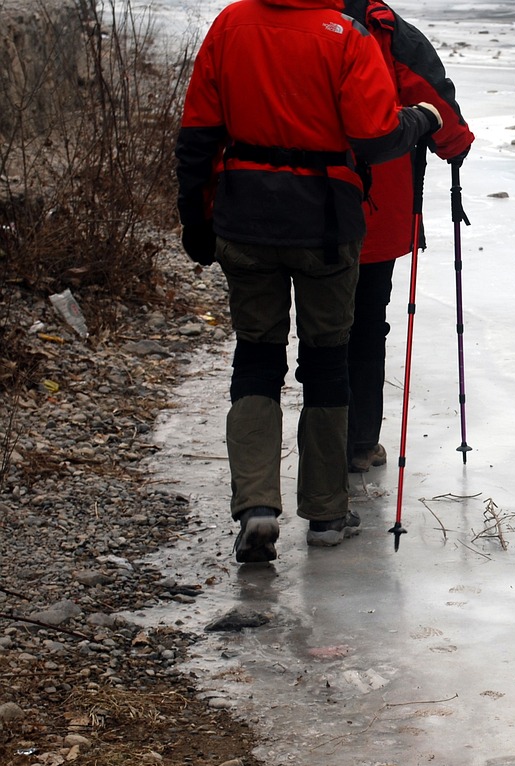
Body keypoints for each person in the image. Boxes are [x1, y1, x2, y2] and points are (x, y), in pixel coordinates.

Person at [176, 0, 441, 563]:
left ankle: (256, 505)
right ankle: (324, 513)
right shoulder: (346, 35)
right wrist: (423, 120)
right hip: (325, 222)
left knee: (255, 357)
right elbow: (375, 137)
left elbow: (198, 133)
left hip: (245, 216)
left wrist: (195, 218)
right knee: (326, 359)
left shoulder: (230, 24)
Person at [343, 0, 474, 474]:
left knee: (319, 328)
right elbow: (433, 99)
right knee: (366, 323)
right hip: (376, 207)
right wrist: (455, 144)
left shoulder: (270, 21)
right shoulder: (386, 30)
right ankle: (358, 442)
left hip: (289, 206)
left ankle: (321, 446)